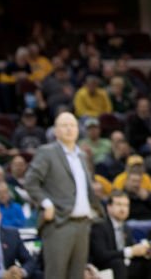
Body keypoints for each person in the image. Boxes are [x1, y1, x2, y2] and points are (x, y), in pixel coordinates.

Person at [25, 111, 102, 279]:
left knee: (77, 275)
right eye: (64, 125)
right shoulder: (47, 152)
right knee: (56, 275)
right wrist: (46, 203)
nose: (69, 129)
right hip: (59, 223)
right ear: (56, 131)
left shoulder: (81, 155)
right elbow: (30, 181)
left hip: (83, 224)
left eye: (73, 125)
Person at [89, 190, 151, 279]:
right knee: (118, 264)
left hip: (124, 264)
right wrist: (130, 251)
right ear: (109, 207)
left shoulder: (126, 227)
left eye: (126, 205)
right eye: (119, 204)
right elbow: (101, 255)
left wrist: (147, 252)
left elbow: (131, 247)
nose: (123, 209)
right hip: (105, 265)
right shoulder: (100, 226)